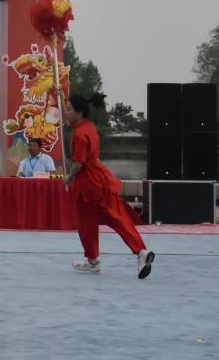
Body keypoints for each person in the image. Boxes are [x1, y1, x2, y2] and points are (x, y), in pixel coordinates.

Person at [64, 93, 154, 279]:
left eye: (68, 109)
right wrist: (71, 126)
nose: (66, 112)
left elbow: (78, 164)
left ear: (79, 112)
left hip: (87, 183)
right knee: (118, 218)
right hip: (101, 178)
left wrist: (68, 178)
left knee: (86, 223)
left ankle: (92, 261)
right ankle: (141, 251)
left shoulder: (79, 134)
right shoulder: (89, 127)